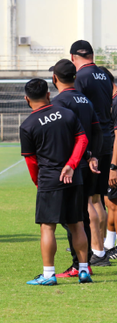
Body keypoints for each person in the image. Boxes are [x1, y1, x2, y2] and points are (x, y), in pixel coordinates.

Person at [20, 78, 91, 285]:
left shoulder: (28, 125)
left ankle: (49, 275)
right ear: (48, 95)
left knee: (47, 227)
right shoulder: (68, 114)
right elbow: (83, 140)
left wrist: (38, 183)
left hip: (50, 180)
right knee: (77, 224)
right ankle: (84, 270)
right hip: (74, 177)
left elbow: (31, 162)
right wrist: (72, 164)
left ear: (27, 99)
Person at [49, 59, 102, 277]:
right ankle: (84, 263)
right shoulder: (86, 100)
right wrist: (93, 156)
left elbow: (62, 137)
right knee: (80, 215)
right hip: (88, 164)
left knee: (69, 218)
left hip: (70, 167)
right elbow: (97, 131)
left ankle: (78, 264)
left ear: (54, 78)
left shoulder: (59, 102)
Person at [71, 40, 113, 266]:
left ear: (73, 57)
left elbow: (80, 110)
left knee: (88, 197)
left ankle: (96, 251)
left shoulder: (81, 78)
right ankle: (103, 248)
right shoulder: (104, 75)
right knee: (98, 198)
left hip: (92, 141)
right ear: (92, 54)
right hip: (107, 138)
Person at [103, 67, 117, 258]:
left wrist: (113, 166)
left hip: (115, 162)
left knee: (113, 203)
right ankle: (108, 244)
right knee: (109, 202)